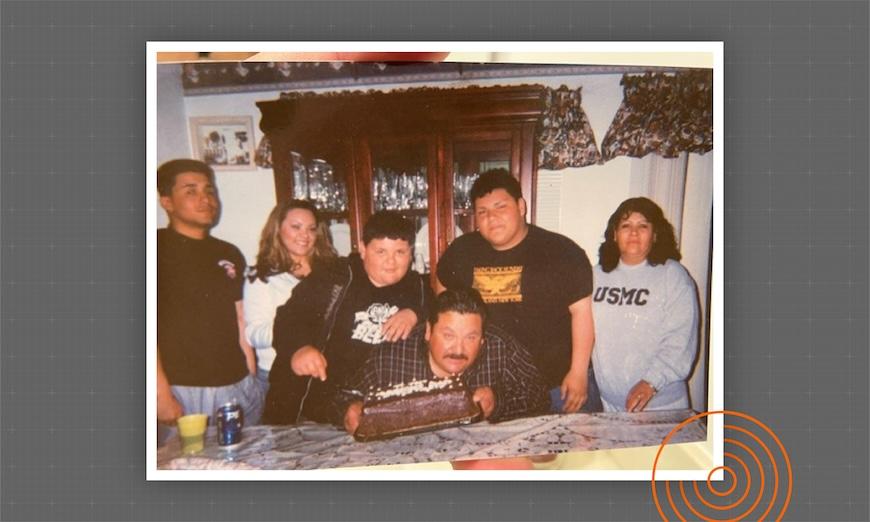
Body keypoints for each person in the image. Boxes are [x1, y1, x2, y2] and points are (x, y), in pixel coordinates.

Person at [436, 169, 601, 414]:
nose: (491, 218)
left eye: (500, 207)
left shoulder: (562, 251)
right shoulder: (462, 252)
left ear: (521, 206)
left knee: (577, 452)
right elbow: (442, 305)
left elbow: (583, 314)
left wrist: (578, 373)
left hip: (559, 386)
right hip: (492, 389)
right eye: (482, 212)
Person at [264, 211, 430, 425]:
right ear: (362, 249)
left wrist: (415, 312)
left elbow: (439, 309)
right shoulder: (333, 276)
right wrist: (299, 348)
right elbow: (288, 317)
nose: (391, 261)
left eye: (400, 252)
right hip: (312, 405)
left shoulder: (416, 286)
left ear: (411, 253)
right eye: (380, 251)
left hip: (371, 405)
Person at [341, 288, 550, 434]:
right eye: (448, 336)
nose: (459, 350)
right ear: (428, 332)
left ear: (483, 338)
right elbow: (343, 396)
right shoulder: (393, 354)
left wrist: (498, 401)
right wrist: (350, 409)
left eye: (471, 337)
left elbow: (539, 395)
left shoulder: (501, 347)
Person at [156, 159, 262, 440]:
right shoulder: (155, 249)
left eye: (210, 190)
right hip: (182, 389)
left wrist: (250, 374)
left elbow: (239, 316)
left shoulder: (228, 252)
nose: (205, 198)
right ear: (166, 201)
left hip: (236, 384)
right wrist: (159, 393)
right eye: (191, 191)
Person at [592, 197, 699, 412]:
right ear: (614, 234)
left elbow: (681, 339)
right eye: (625, 226)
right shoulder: (597, 275)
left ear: (655, 234)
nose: (633, 232)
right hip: (609, 405)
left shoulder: (673, 275)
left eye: (643, 226)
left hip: (660, 404)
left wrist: (651, 382)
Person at [243, 199, 337, 397]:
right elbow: (253, 334)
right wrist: (299, 331)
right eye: (296, 227)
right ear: (277, 230)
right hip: (279, 373)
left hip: (325, 369)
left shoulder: (332, 271)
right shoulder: (261, 277)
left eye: (312, 229)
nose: (305, 235)